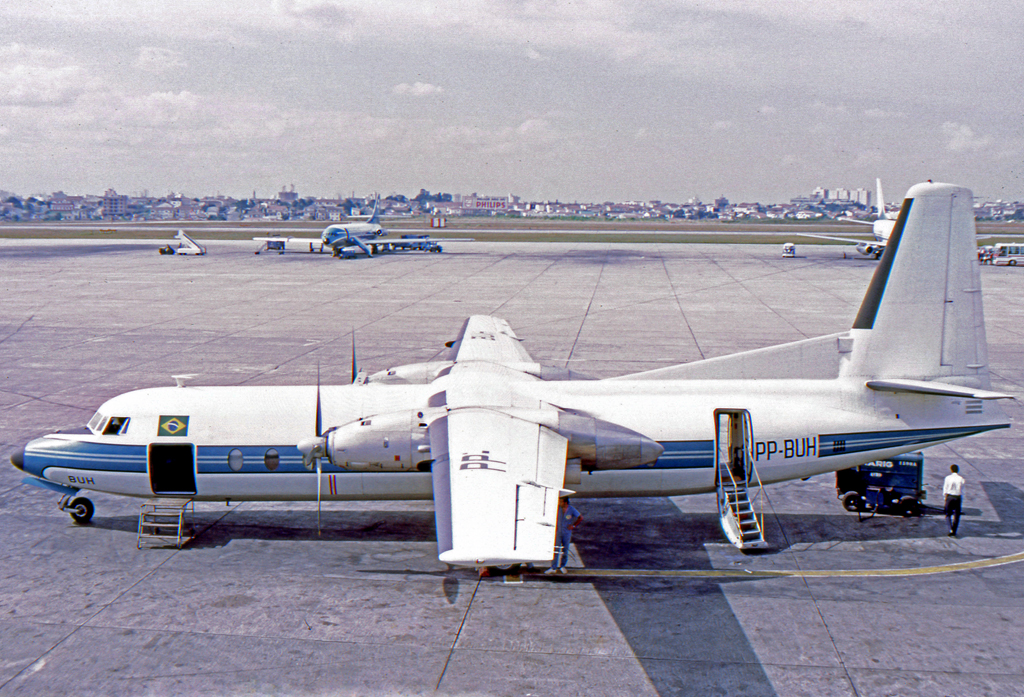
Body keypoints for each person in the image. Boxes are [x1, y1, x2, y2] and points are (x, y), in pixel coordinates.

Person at [545, 498, 582, 574]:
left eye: (561, 502)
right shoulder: (557, 509)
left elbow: (580, 517)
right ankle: (553, 567)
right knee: (556, 549)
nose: (559, 503)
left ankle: (562, 566)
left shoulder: (571, 509)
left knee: (565, 549)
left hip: (566, 532)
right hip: (558, 532)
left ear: (565, 502)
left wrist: (573, 525)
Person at [943, 464, 965, 537]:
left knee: (948, 513)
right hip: (958, 497)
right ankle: (955, 530)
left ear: (951, 470)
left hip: (950, 496)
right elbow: (962, 489)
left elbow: (945, 488)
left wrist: (945, 498)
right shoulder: (961, 479)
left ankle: (950, 529)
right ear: (957, 470)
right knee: (957, 514)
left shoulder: (947, 478)